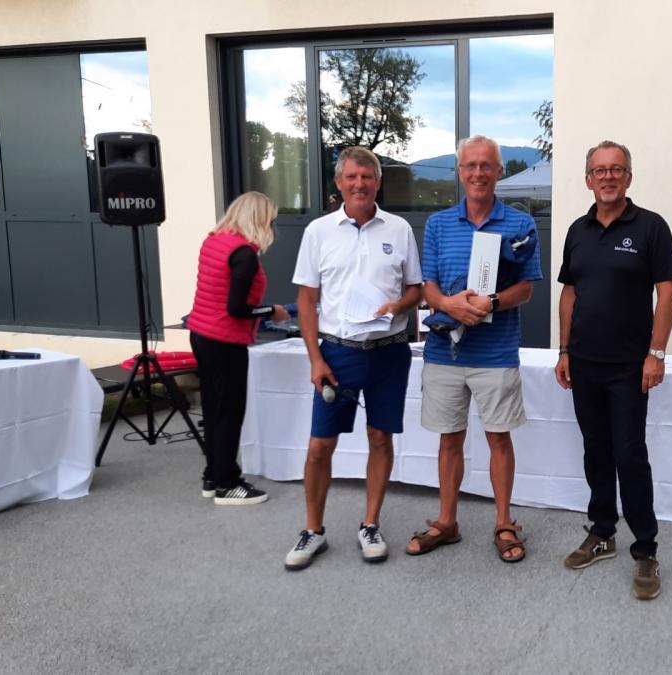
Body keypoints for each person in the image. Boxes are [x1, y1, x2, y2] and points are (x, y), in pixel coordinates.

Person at [554, 140, 672, 600]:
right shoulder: (577, 230)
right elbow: (569, 293)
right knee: (595, 450)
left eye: (616, 169)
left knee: (629, 456)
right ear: (588, 179)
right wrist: (564, 351)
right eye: (599, 170)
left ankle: (645, 549)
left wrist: (656, 354)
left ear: (629, 177)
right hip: (584, 363)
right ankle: (603, 531)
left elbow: (667, 293)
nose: (607, 177)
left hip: (629, 367)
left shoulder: (650, 227)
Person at [284, 146, 423, 569]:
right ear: (339, 182)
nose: (359, 184)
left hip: (388, 354)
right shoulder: (319, 232)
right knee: (319, 446)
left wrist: (398, 306)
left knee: (380, 438)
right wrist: (315, 359)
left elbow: (416, 290)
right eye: (352, 177)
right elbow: (306, 301)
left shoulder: (399, 229)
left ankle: (370, 524)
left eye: (367, 176)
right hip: (337, 354)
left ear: (378, 182)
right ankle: (313, 530)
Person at [406, 135, 542, 563]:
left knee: (499, 438)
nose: (478, 173)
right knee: (449, 439)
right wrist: (448, 305)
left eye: (486, 165)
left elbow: (527, 289)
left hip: (496, 353)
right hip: (445, 353)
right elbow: (427, 286)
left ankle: (503, 521)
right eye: (471, 165)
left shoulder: (520, 224)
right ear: (460, 172)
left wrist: (492, 302)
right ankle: (447, 521)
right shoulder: (439, 224)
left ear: (499, 171)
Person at [186, 191, 290, 505]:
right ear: (258, 219)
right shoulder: (244, 254)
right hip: (225, 341)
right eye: (270, 220)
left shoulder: (214, 241)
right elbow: (237, 309)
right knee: (230, 412)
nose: (272, 227)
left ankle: (212, 475)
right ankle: (227, 483)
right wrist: (272, 311)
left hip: (201, 334)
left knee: (213, 409)